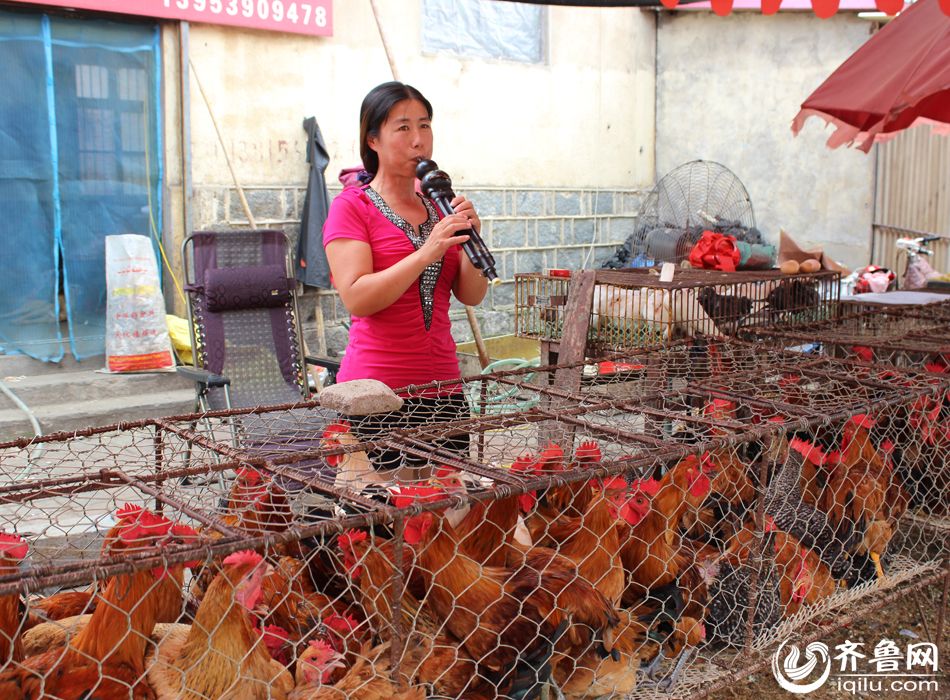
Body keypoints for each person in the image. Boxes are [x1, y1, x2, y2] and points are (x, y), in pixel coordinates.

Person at [322, 81, 488, 471]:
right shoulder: (351, 208)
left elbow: (472, 294)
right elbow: (358, 297)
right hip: (375, 395)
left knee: (447, 521)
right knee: (378, 522)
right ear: (373, 139)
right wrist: (428, 250)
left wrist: (472, 240)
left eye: (425, 126)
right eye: (403, 128)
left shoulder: (439, 205)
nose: (419, 141)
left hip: (444, 391)